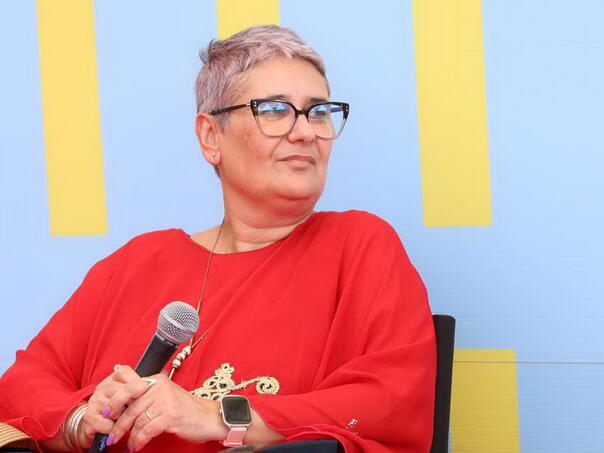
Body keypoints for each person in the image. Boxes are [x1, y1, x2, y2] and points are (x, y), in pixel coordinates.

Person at [0, 25, 436, 453]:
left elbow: (390, 403)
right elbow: (19, 388)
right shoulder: (137, 263)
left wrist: (219, 416)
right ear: (211, 136)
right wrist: (80, 421)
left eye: (318, 112)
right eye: (275, 110)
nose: (306, 132)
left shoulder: (359, 247)